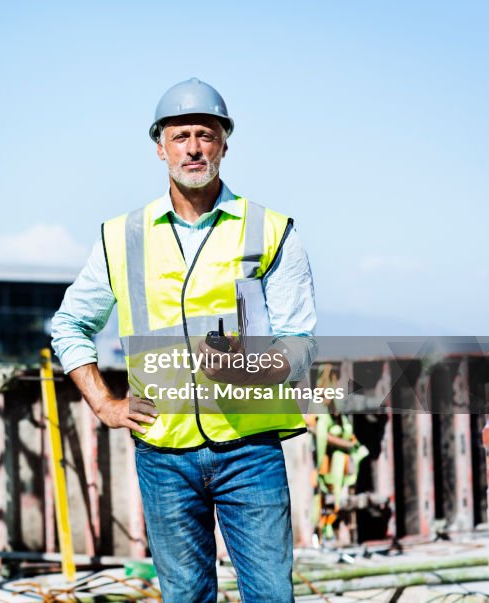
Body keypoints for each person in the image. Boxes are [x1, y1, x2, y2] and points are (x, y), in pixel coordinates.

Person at [50, 78, 317, 603]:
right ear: (160, 148)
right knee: (185, 597)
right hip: (163, 451)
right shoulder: (122, 235)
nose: (193, 148)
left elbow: (300, 343)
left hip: (250, 450)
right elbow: (69, 325)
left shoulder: (271, 230)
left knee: (271, 596)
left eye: (205, 134)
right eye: (180, 137)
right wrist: (103, 402)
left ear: (224, 143)